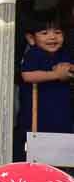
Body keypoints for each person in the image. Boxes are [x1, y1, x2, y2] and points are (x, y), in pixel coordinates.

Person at [16, 10, 73, 162]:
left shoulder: (64, 54)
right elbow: (27, 75)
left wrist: (69, 69)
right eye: (44, 33)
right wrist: (56, 74)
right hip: (38, 118)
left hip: (62, 116)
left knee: (63, 157)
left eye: (58, 32)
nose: (52, 37)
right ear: (31, 38)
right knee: (37, 158)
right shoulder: (34, 54)